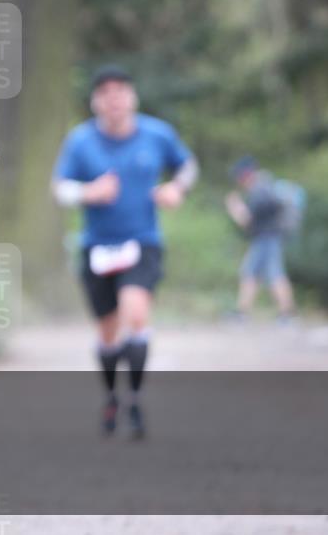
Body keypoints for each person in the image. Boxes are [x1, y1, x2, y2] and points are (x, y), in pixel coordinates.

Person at [51, 65, 197, 439]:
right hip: (96, 246)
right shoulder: (81, 141)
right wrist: (88, 192)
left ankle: (134, 397)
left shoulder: (157, 134)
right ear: (96, 101)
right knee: (108, 332)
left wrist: (176, 189)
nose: (114, 100)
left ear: (132, 98)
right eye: (106, 93)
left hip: (142, 241)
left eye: (121, 92)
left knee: (136, 314)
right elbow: (60, 188)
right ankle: (111, 395)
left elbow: (188, 167)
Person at [225, 156, 297, 324]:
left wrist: (234, 206)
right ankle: (242, 312)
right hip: (266, 238)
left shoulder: (260, 191)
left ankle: (287, 314)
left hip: (267, 238)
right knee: (250, 273)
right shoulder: (265, 187)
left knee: (274, 274)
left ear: (245, 175)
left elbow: (246, 220)